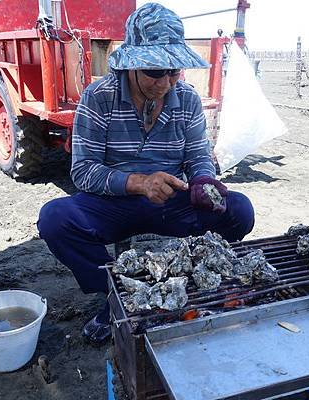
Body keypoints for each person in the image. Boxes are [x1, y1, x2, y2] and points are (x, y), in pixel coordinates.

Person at [37, 3, 255, 344]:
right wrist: (138, 183)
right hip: (113, 203)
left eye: (174, 71)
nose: (166, 82)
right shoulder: (99, 98)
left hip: (170, 200)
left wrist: (201, 180)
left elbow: (198, 154)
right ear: (133, 65)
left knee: (239, 210)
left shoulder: (187, 99)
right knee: (55, 218)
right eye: (156, 71)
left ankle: (196, 281)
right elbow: (83, 171)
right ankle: (117, 298)